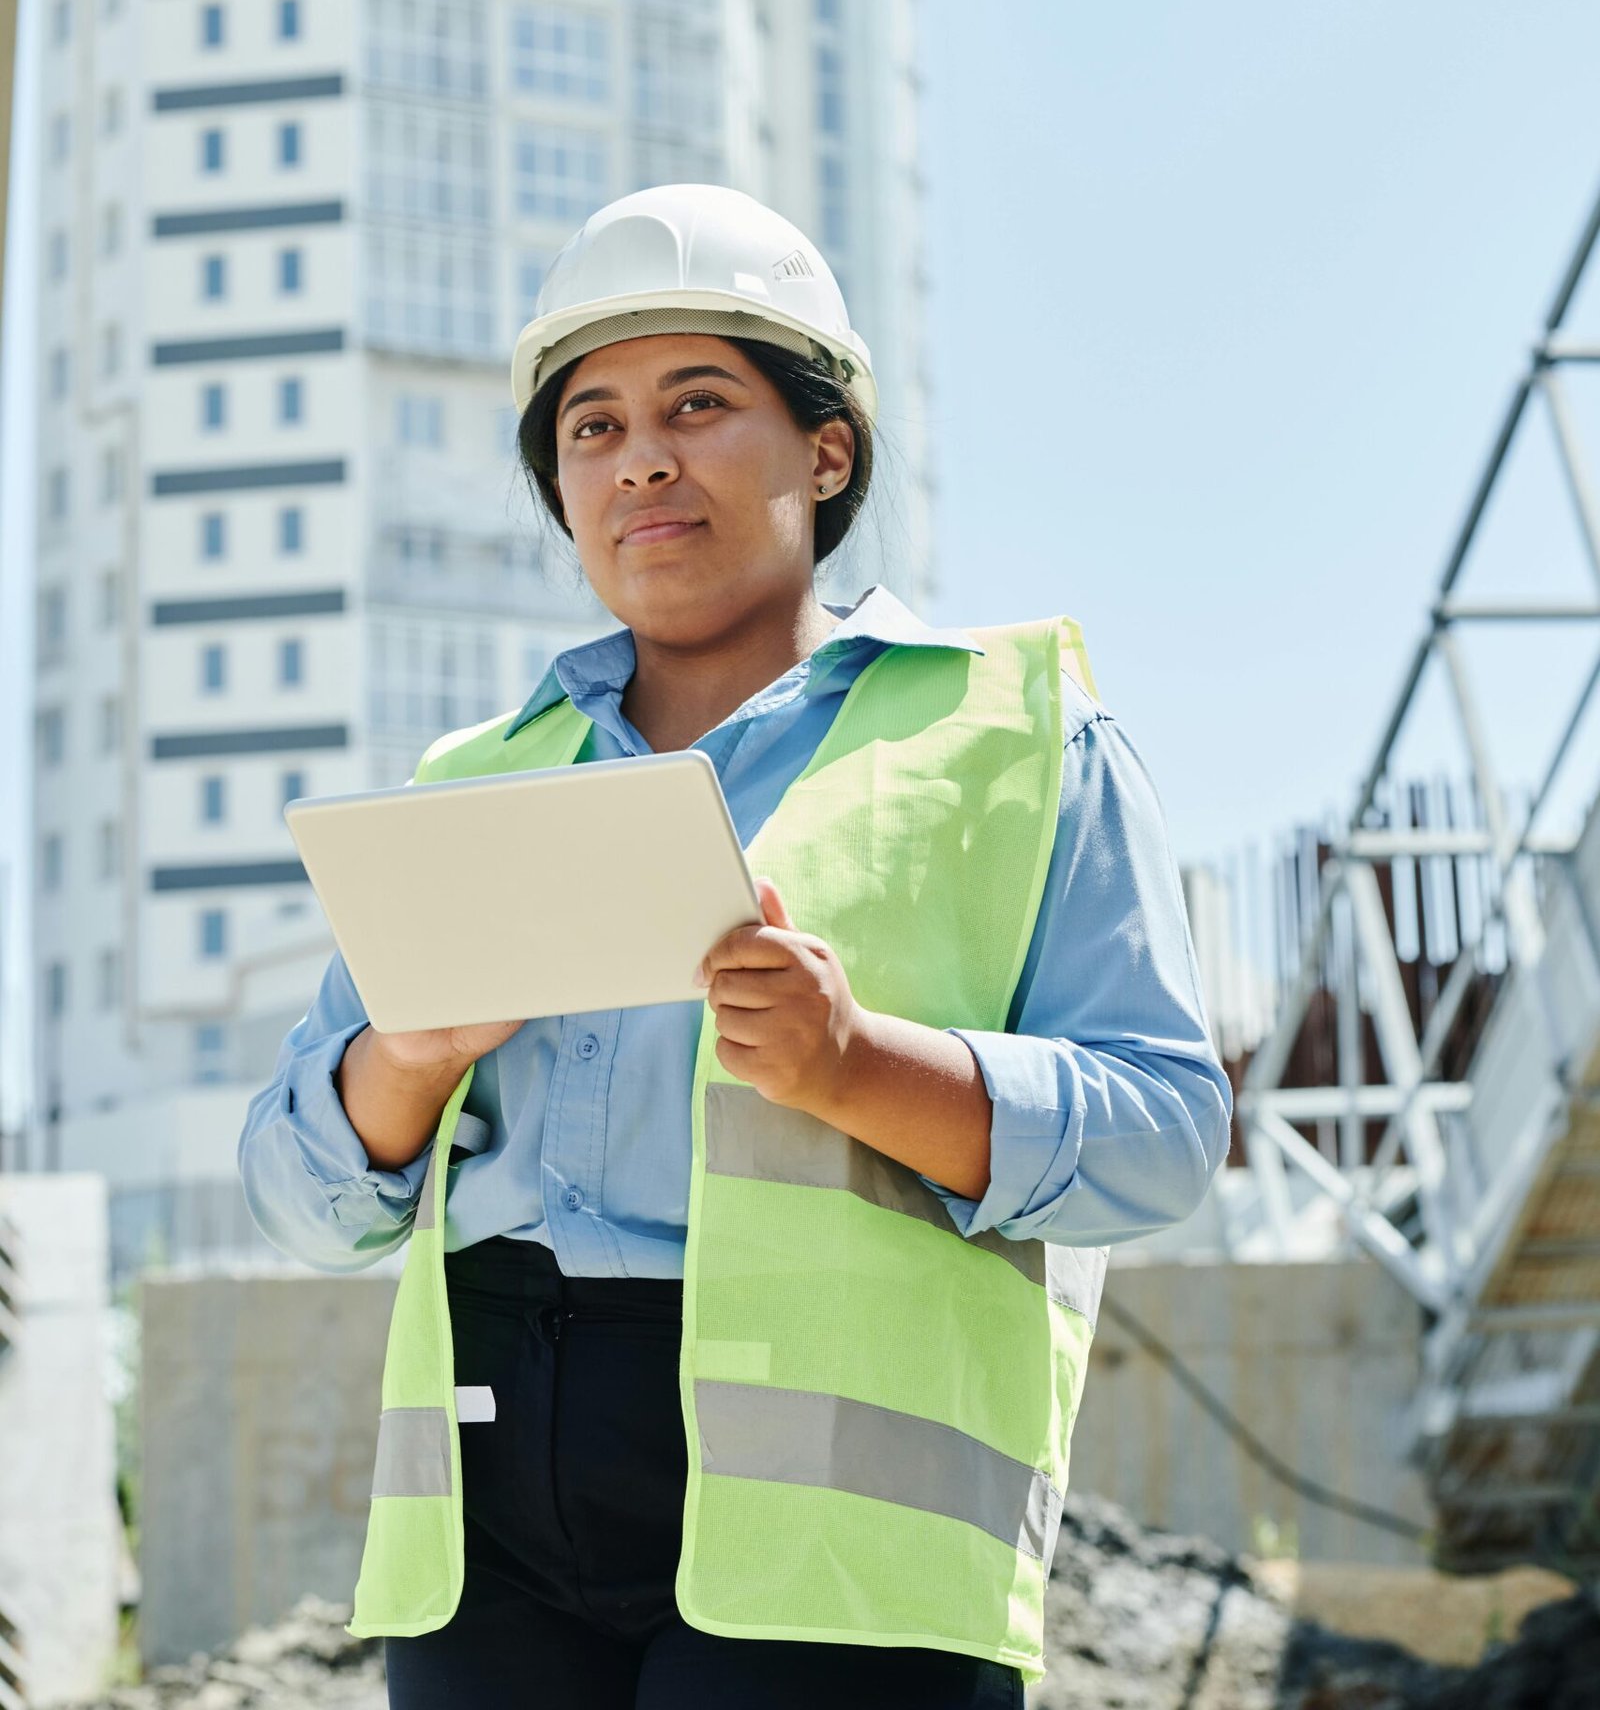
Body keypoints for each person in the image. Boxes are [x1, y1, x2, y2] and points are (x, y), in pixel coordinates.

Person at [240, 182, 1232, 1708]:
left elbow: (1165, 1136)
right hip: (489, 1525)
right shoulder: (476, 785)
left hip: (836, 1540)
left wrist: (859, 1067)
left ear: (825, 450)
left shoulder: (1016, 742)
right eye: (593, 427)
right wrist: (408, 1060)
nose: (641, 455)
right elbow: (301, 1202)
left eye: (699, 404)